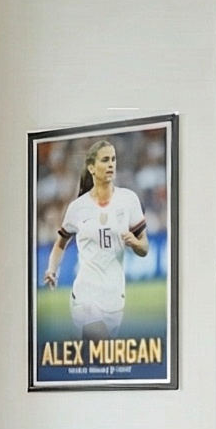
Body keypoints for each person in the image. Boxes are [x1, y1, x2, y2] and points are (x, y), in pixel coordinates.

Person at [40, 136, 149, 335]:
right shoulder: (78, 207)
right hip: (86, 294)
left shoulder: (128, 200)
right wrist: (51, 269)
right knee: (96, 340)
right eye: (105, 160)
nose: (111, 165)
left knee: (101, 362)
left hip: (115, 298)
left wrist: (135, 243)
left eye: (113, 160)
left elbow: (145, 248)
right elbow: (60, 243)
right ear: (91, 167)